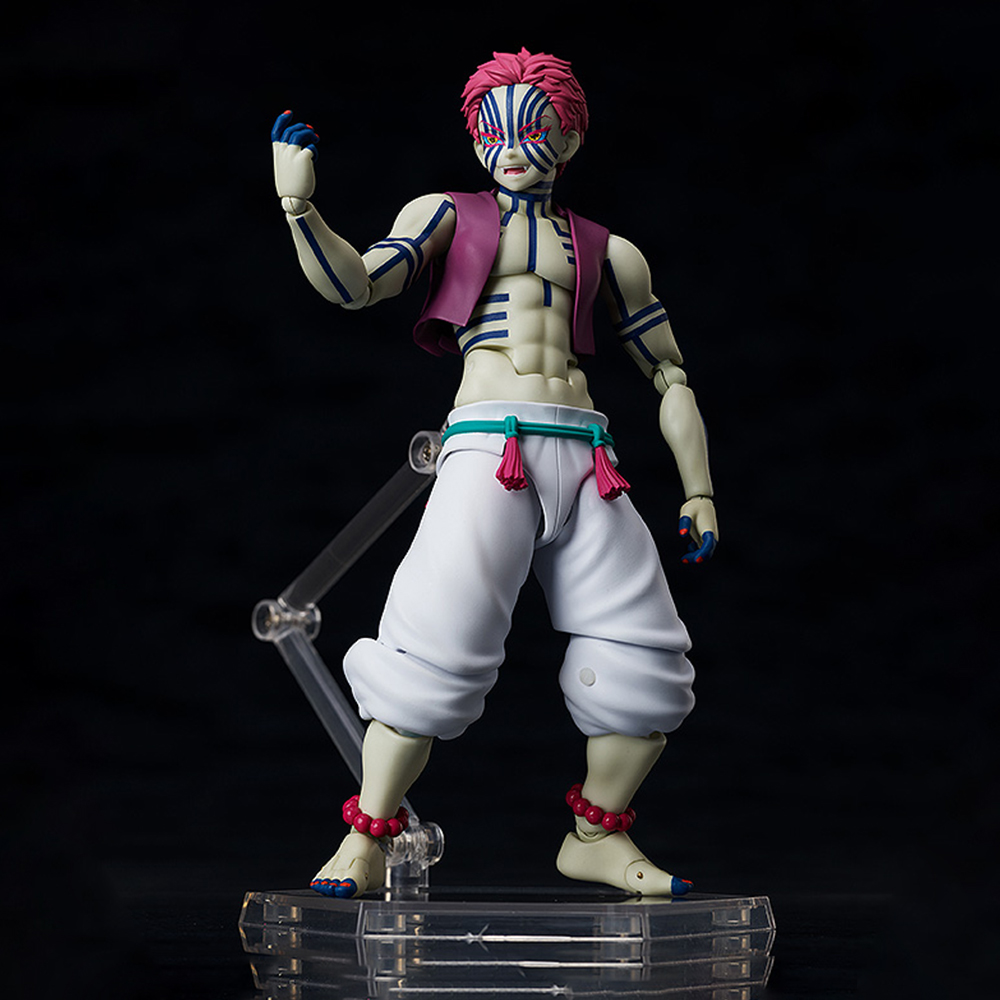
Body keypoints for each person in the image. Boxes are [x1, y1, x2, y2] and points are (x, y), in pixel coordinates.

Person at [271, 47, 718, 899]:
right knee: (434, 643)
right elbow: (359, 285)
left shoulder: (610, 250)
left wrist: (698, 489)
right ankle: (366, 838)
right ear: (475, 138)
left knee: (646, 655)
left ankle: (596, 833)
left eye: (534, 129)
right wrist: (301, 209)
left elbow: (670, 373)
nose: (512, 148)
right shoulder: (448, 214)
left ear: (571, 137)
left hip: (589, 457)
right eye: (493, 131)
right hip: (490, 446)